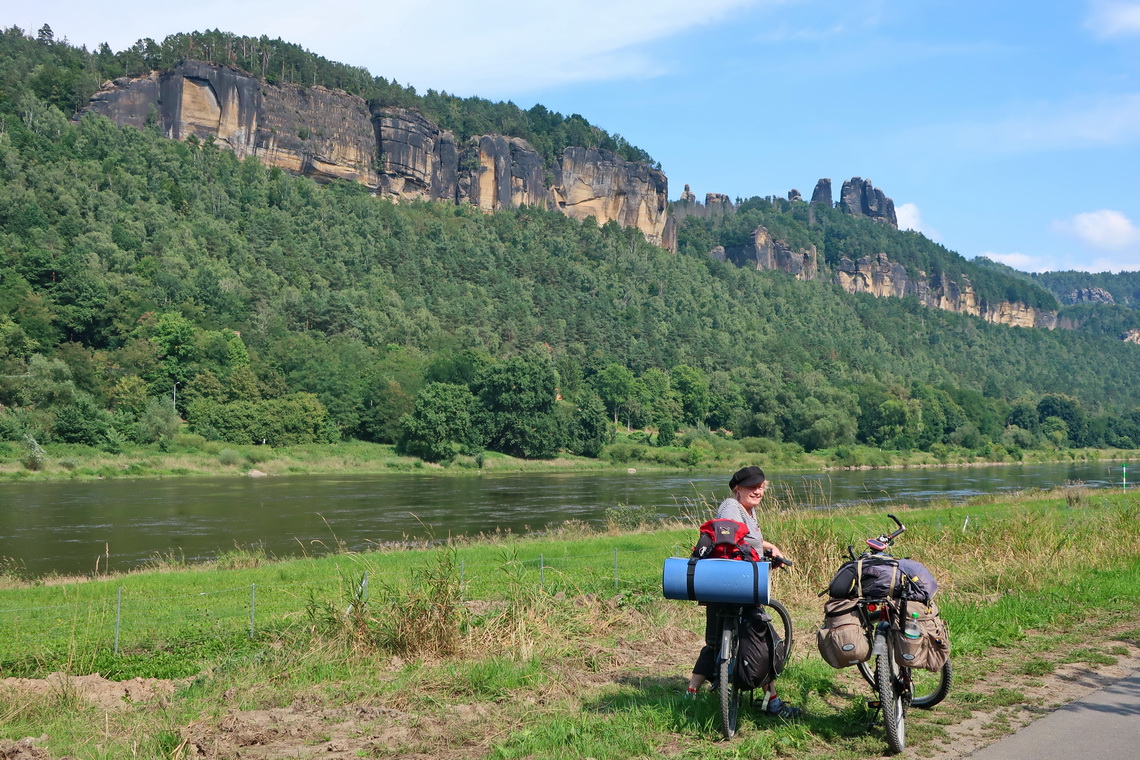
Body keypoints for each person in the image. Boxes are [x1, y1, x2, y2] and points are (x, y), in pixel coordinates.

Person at [685, 465, 803, 718]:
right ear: (737, 489)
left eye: (760, 487)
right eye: (751, 486)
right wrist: (762, 548)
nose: (757, 491)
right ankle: (772, 701)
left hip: (727, 580)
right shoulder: (731, 506)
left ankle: (692, 691)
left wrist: (768, 547)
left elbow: (745, 539)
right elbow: (729, 535)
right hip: (736, 580)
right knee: (762, 639)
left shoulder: (748, 512)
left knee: (716, 640)